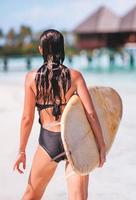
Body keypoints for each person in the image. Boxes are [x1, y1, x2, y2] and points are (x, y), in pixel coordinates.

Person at [12, 29, 106, 199]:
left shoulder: (31, 78)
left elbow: (27, 118)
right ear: (61, 49)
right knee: (79, 197)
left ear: (41, 50)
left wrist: (22, 151)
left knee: (31, 195)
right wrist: (101, 146)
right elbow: (91, 114)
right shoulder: (75, 76)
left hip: (49, 141)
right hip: (75, 141)